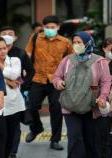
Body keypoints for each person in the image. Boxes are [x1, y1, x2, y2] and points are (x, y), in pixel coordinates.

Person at [53, 31, 112, 158]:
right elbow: (57, 76)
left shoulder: (100, 61)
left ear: (88, 43)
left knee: (91, 139)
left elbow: (106, 82)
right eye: (74, 42)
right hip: (70, 106)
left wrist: (103, 97)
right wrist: (58, 83)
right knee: (74, 138)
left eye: (80, 42)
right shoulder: (67, 60)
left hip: (92, 106)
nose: (76, 45)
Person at [25, 15, 73, 150]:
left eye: (52, 27)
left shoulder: (65, 42)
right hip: (37, 78)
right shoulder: (35, 38)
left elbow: (71, 61)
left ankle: (55, 140)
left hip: (57, 80)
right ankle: (36, 128)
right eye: (47, 27)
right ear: (43, 27)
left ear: (58, 27)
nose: (50, 29)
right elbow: (27, 54)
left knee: (56, 109)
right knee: (31, 106)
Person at [0, 26, 35, 158]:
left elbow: (30, 71)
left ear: (15, 38)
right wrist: (7, 81)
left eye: (10, 34)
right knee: (0, 127)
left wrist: (22, 84)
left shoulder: (20, 53)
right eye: (4, 33)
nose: (7, 36)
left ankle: (12, 154)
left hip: (15, 96)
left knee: (15, 127)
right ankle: (2, 152)